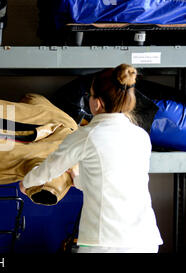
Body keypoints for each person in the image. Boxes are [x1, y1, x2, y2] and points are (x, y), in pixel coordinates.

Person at [20, 63, 163, 253]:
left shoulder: (87, 135)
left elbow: (51, 167)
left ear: (97, 103)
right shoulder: (141, 136)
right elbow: (113, 182)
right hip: (145, 239)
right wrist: (77, 178)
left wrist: (27, 183)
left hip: (105, 241)